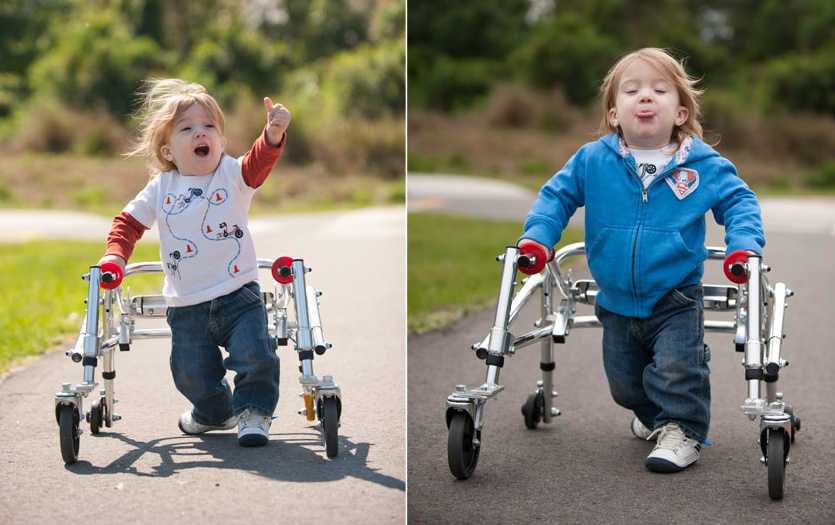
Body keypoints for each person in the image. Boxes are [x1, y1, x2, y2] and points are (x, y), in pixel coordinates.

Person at [518, 48, 765, 472]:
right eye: (632, 90)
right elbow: (555, 198)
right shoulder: (593, 161)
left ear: (681, 112)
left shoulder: (703, 165)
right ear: (614, 114)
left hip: (675, 296)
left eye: (659, 90)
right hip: (614, 298)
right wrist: (537, 239)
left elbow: (740, 202)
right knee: (626, 386)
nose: (644, 97)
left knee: (676, 370)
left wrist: (743, 245)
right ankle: (654, 418)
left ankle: (684, 431)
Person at [98, 79, 291, 447]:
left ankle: (253, 413)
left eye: (209, 127)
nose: (201, 133)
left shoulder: (233, 174)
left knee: (255, 355)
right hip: (186, 304)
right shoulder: (161, 187)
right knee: (190, 374)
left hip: (238, 294)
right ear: (168, 151)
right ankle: (214, 412)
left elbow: (258, 162)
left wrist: (272, 135)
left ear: (220, 140)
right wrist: (115, 255)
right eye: (187, 128)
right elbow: (128, 223)